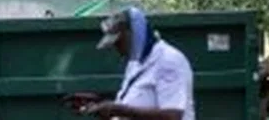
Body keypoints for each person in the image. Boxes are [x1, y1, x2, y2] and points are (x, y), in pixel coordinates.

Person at [65, 7, 195, 120]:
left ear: (133, 33)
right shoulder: (135, 63)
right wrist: (97, 105)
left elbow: (172, 116)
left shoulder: (169, 61)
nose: (118, 50)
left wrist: (117, 109)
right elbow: (133, 105)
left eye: (119, 42)